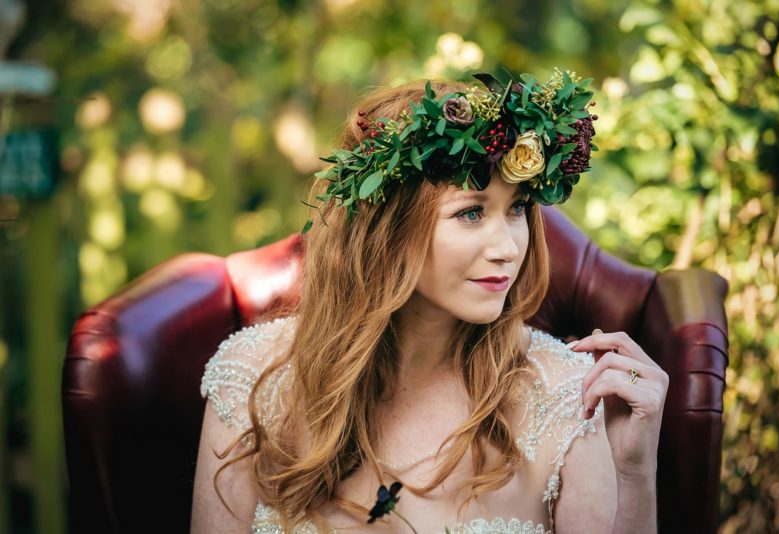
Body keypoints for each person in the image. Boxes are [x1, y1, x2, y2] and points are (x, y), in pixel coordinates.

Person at [190, 69, 669, 534]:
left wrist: (633, 470)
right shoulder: (250, 381)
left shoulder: (566, 398)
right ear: (386, 230)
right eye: (471, 212)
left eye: (517, 208)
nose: (507, 248)